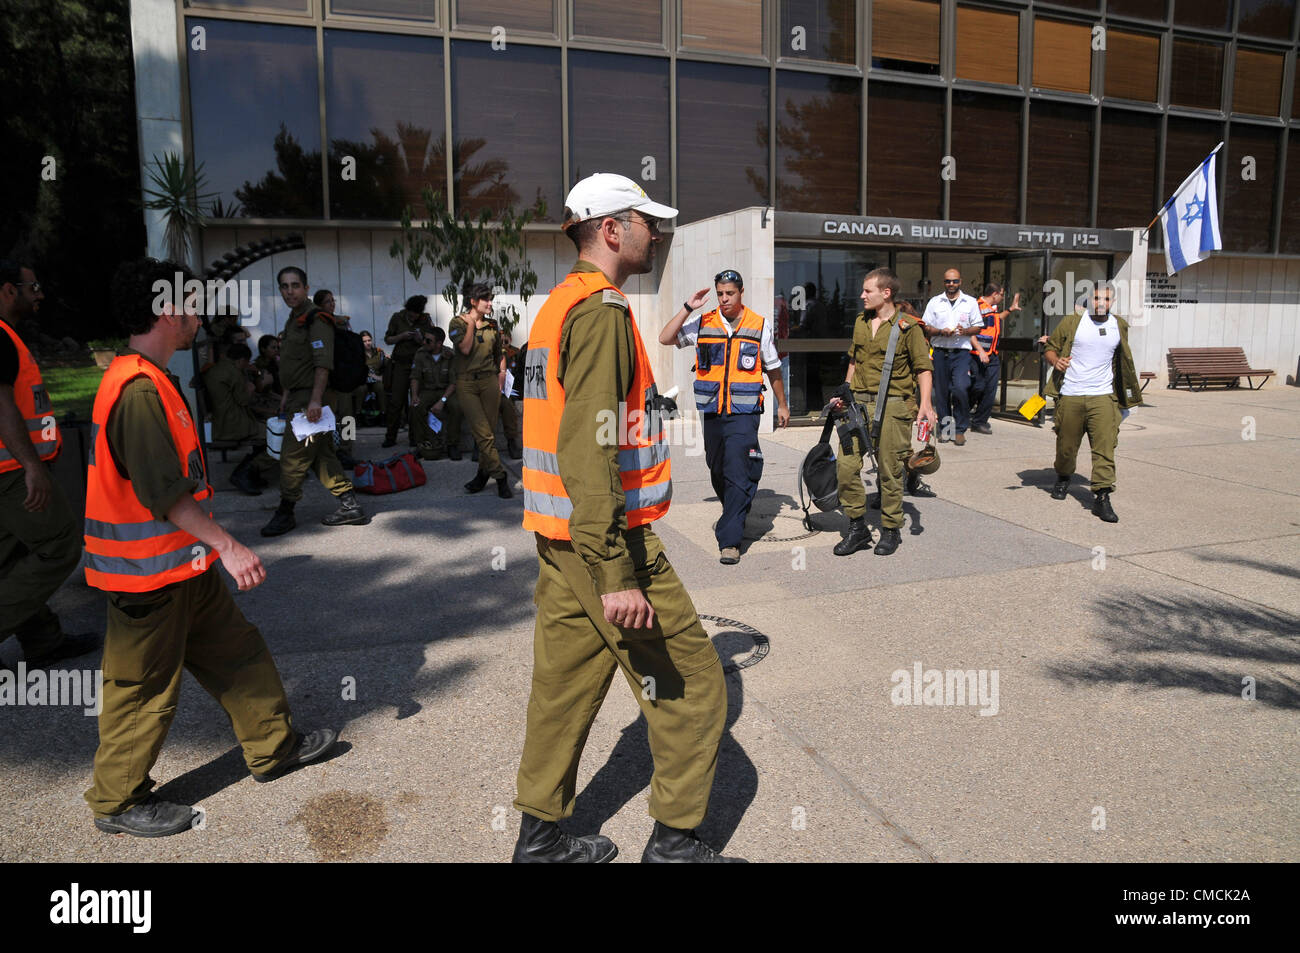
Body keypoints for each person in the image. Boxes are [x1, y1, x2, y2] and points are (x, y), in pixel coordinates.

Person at [515, 172, 737, 863]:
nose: (657, 232)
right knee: (697, 686)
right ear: (612, 229)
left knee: (563, 686)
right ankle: (674, 843)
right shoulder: (603, 311)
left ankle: (540, 836)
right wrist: (616, 571)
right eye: (648, 221)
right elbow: (588, 452)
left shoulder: (558, 305)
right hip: (606, 544)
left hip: (560, 541)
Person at [83, 258, 338, 837]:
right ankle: (117, 802)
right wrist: (229, 546)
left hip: (181, 569)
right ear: (167, 310)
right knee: (143, 688)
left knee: (237, 654)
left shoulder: (150, 379)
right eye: (190, 303)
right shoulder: (136, 391)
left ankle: (274, 748)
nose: (197, 314)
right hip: (145, 580)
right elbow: (163, 493)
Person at [0, 260, 97, 672]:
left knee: (11, 556)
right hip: (12, 473)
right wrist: (32, 467)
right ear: (8, 290)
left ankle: (44, 640)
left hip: (10, 469)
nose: (39, 293)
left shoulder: (8, 337)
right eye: (32, 286)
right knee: (59, 545)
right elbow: (2, 406)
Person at [659, 268, 789, 565]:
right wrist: (688, 307)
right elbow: (665, 338)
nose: (724, 298)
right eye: (720, 294)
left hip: (744, 412)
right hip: (713, 410)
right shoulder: (703, 322)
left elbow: (773, 368)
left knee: (736, 467)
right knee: (717, 467)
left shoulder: (759, 325)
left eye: (729, 293)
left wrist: (782, 404)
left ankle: (730, 541)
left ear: (741, 292)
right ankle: (735, 508)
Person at [830, 268, 938, 557]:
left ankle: (891, 530)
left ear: (886, 293)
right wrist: (844, 392)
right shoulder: (861, 323)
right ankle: (858, 528)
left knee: (890, 471)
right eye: (863, 291)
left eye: (868, 291)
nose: (862, 295)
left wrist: (925, 405)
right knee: (846, 467)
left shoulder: (909, 327)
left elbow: (923, 368)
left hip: (893, 405)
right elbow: (854, 362)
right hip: (859, 404)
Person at [259, 266, 366, 537]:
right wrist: (286, 396)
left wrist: (315, 401)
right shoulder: (294, 319)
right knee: (321, 454)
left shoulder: (315, 319)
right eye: (284, 286)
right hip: (299, 396)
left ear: (306, 289)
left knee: (292, 456)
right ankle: (349, 504)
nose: (289, 291)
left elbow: (322, 364)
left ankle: (286, 511)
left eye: (295, 285)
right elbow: (295, 365)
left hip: (311, 398)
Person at [1044, 283, 1143, 523]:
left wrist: (1125, 395)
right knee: (1066, 446)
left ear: (1113, 302)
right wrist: (1056, 361)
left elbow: (1122, 360)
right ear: (1089, 299)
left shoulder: (1118, 325)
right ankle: (1064, 476)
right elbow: (1050, 347)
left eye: (1107, 299)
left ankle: (1102, 495)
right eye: (1097, 298)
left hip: (1103, 396)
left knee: (1105, 447)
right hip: (1071, 393)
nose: (1101, 303)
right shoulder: (1073, 322)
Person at [449, 283, 510, 498]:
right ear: (474, 301)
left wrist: (501, 375)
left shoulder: (493, 325)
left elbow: (498, 354)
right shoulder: (457, 322)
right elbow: (464, 349)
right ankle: (501, 475)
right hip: (467, 383)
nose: (490, 303)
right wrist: (470, 326)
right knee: (482, 433)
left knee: (489, 433)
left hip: (489, 382)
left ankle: (482, 476)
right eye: (486, 299)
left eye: (491, 299)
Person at [202, 341, 279, 495]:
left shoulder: (218, 368)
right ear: (242, 360)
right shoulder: (234, 372)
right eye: (246, 363)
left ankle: (251, 473)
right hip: (234, 424)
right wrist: (250, 388)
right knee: (277, 438)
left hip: (223, 421)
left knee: (268, 431)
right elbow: (244, 400)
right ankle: (245, 472)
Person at [922, 268, 982, 446]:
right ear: (944, 282)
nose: (951, 285)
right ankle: (946, 430)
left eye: (954, 281)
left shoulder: (969, 302)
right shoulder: (935, 302)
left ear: (960, 281)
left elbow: (978, 327)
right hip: (940, 352)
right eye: (948, 281)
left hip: (961, 353)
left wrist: (965, 331)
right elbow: (925, 326)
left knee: (960, 388)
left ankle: (961, 428)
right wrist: (940, 331)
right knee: (942, 393)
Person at [968, 283, 1021, 435]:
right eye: (1001, 294)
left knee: (990, 389)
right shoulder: (977, 307)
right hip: (976, 355)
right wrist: (980, 351)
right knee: (977, 387)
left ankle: (980, 422)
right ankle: (962, 414)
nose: (1002, 297)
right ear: (994, 294)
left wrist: (1011, 309)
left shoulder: (991, 309)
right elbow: (969, 332)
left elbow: (997, 319)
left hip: (992, 355)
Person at [382, 295, 433, 448]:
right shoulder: (397, 318)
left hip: (418, 365)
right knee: (396, 402)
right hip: (400, 364)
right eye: (411, 313)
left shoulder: (426, 320)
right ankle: (390, 436)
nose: (414, 317)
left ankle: (414, 437)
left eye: (416, 314)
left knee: (416, 403)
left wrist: (420, 339)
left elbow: (432, 342)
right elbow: (388, 339)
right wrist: (401, 336)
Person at [314, 290, 358, 466]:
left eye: (333, 301)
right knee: (326, 418)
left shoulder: (342, 321)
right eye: (327, 302)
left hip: (342, 377)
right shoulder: (316, 323)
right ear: (319, 305)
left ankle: (346, 451)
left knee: (348, 417)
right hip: (324, 378)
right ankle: (326, 453)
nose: (332, 304)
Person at [409, 327, 460, 459]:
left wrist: (442, 401)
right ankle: (422, 444)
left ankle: (452, 445)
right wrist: (414, 395)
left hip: (446, 391)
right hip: (427, 390)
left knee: (456, 406)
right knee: (416, 406)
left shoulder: (450, 355)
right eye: (425, 339)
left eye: (428, 341)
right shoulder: (420, 354)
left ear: (439, 343)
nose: (424, 342)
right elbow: (415, 377)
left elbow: (453, 383)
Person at [498, 328, 523, 461]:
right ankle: (478, 446)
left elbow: (520, 371)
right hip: (491, 389)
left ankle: (512, 442)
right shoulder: (492, 352)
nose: (503, 343)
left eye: (505, 340)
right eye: (500, 340)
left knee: (508, 406)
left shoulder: (516, 353)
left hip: (510, 390)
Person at [359, 330, 388, 427]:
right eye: (364, 341)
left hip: (376, 380)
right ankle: (358, 416)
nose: (367, 343)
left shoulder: (378, 353)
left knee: (380, 387)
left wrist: (380, 377)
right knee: (361, 389)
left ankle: (383, 416)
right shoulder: (357, 354)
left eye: (369, 340)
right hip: (363, 380)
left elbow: (386, 367)